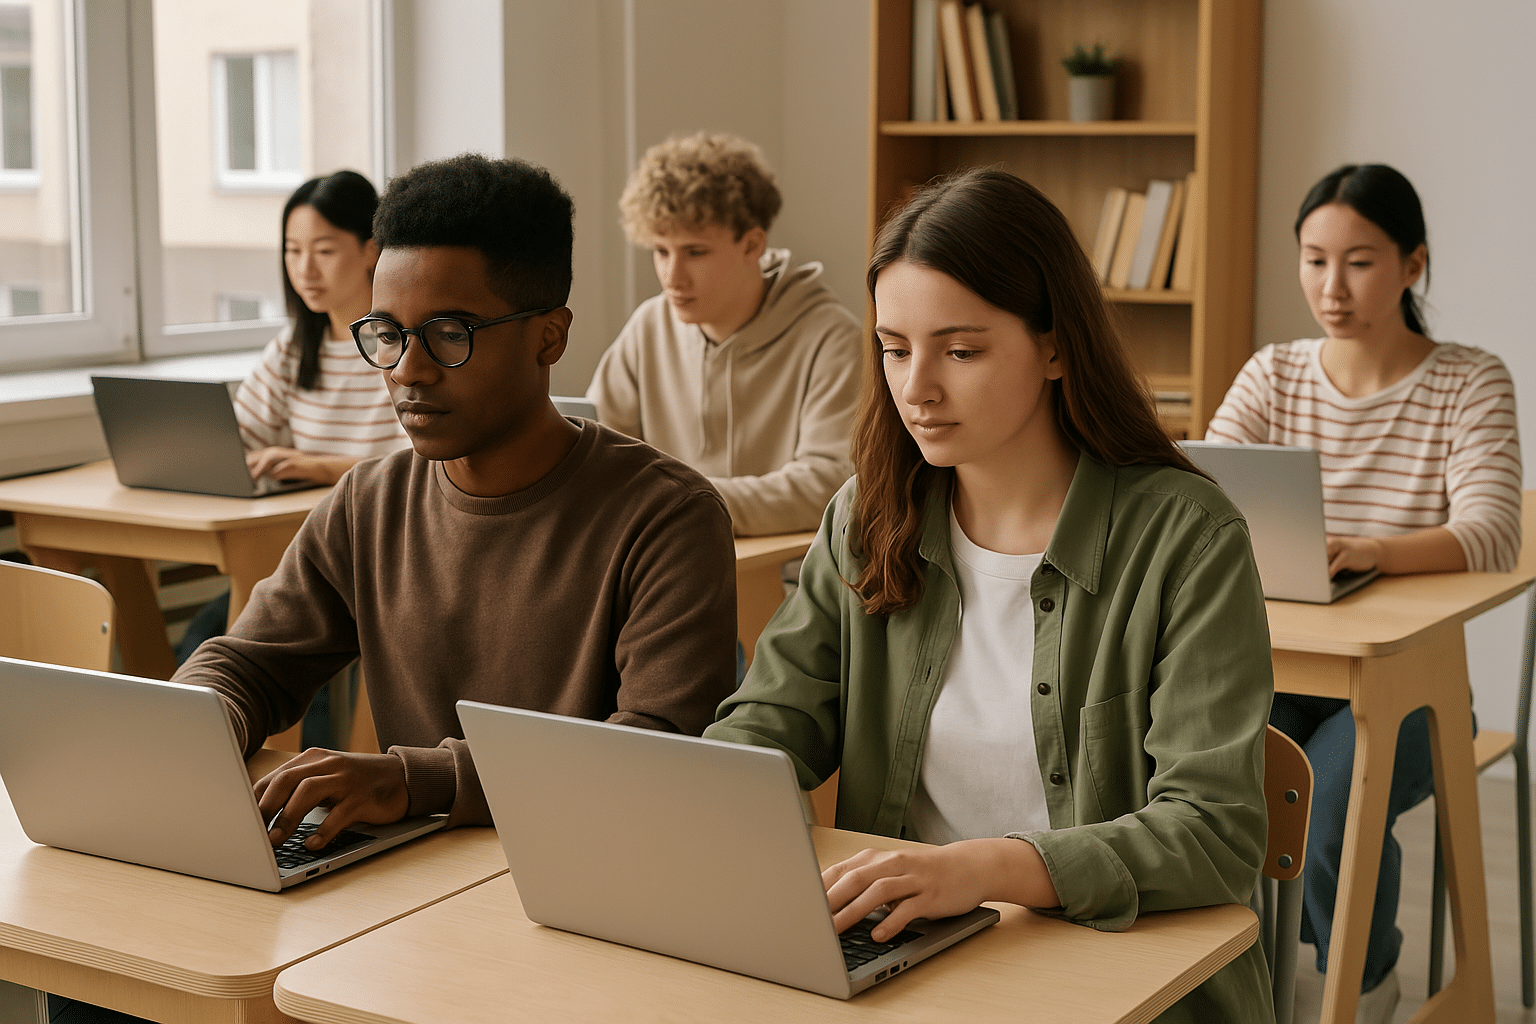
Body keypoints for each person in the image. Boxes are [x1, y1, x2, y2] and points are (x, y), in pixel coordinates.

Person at [705, 167, 1275, 1024]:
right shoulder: (868, 517)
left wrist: (977, 869)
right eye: (895, 348)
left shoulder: (1187, 538)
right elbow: (770, 724)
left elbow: (1213, 831)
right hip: (907, 968)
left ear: (1054, 345)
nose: (917, 388)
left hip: (1121, 982)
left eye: (960, 351)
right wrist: (700, 796)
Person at [175, 153, 738, 849]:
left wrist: (414, 780)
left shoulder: (667, 517)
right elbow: (248, 662)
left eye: (450, 334)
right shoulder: (369, 501)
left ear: (550, 337)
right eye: (387, 334)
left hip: (594, 873)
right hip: (413, 877)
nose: (409, 371)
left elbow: (656, 752)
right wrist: (199, 721)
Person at [1206, 163, 1521, 1023]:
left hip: (1413, 687)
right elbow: (1199, 495)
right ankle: (1211, 983)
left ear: (1413, 265)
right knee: (1191, 761)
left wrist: (1368, 550)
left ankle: (1364, 986)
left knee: (1338, 800)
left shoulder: (1470, 379)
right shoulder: (1274, 374)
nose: (1330, 287)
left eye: (1358, 262)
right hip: (1279, 667)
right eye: (1313, 260)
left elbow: (1495, 533)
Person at [173, 170, 411, 746]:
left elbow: (418, 466)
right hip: (296, 553)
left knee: (304, 652)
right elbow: (243, 436)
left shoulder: (401, 344)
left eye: (324, 251)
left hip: (377, 553)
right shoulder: (295, 346)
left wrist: (317, 465)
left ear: (371, 252)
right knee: (205, 639)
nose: (305, 269)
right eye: (293, 251)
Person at [586, 132, 862, 538]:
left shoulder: (833, 340)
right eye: (661, 251)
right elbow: (596, 454)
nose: (671, 277)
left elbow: (830, 485)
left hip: (785, 580)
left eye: (695, 252)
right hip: (665, 563)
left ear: (752, 245)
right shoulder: (648, 326)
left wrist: (682, 502)